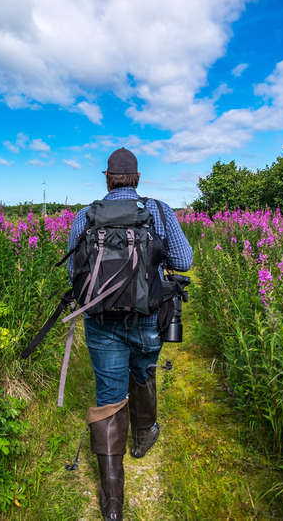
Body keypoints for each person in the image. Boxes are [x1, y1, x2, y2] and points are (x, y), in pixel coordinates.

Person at [67, 148, 193, 521]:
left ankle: (112, 506)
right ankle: (142, 437)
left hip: (102, 322)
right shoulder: (158, 210)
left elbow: (74, 273)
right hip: (149, 318)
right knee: (142, 372)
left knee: (108, 397)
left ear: (107, 177)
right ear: (136, 177)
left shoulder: (85, 216)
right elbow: (184, 261)